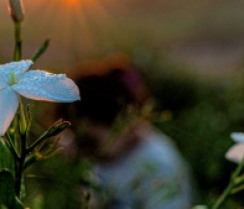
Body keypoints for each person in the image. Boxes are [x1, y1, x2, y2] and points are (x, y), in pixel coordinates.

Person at [57, 55, 194, 209]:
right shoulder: (95, 155)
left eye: (89, 141)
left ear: (123, 123)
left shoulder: (160, 166)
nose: (87, 151)